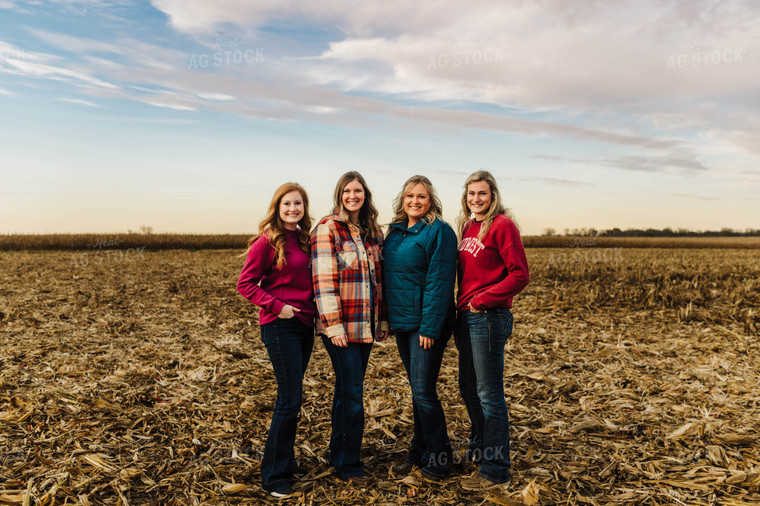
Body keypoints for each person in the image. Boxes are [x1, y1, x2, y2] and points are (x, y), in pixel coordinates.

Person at [236, 182, 315, 499]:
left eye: (298, 203)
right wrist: (278, 306)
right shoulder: (268, 242)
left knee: (293, 398)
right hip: (280, 326)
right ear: (277, 208)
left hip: (304, 327)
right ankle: (273, 475)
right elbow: (245, 284)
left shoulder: (306, 240)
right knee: (289, 399)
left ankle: (287, 459)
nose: (293, 209)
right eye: (287, 204)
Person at [311, 171, 389, 483]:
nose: (352, 196)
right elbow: (323, 281)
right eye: (347, 191)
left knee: (347, 391)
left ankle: (337, 452)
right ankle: (349, 464)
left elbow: (379, 281)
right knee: (354, 395)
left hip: (366, 327)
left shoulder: (373, 231)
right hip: (341, 329)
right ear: (339, 194)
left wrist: (382, 320)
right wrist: (334, 326)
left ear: (365, 195)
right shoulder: (328, 227)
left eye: (358, 191)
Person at [455, 170, 530, 491]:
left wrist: (483, 300)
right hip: (466, 318)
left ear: (493, 195)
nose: (476, 199)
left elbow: (520, 274)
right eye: (471, 193)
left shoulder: (502, 226)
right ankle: (480, 449)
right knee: (469, 389)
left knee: (488, 395)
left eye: (482, 193)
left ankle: (496, 469)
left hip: (488, 317)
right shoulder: (467, 226)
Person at [382, 175, 458, 480]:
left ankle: (440, 456)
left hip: (426, 326)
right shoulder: (396, 232)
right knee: (417, 390)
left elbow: (440, 282)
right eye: (410, 195)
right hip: (403, 322)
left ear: (431, 201)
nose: (415, 201)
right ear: (403, 199)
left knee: (424, 391)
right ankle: (419, 448)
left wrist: (429, 328)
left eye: (422, 197)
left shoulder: (439, 231)